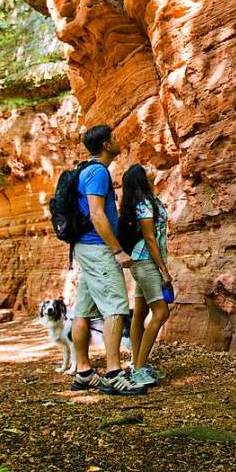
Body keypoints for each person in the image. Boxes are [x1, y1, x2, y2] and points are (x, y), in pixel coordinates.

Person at [70, 125, 146, 396]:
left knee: (83, 311)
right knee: (116, 307)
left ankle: (84, 372)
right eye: (113, 138)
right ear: (105, 145)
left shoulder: (86, 170)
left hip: (86, 248)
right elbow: (97, 215)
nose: (118, 141)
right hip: (98, 249)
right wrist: (116, 250)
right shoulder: (98, 173)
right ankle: (114, 374)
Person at [120, 164, 172, 388]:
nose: (151, 168)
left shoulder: (149, 199)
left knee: (140, 312)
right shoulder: (143, 204)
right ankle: (139, 370)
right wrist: (163, 269)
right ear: (141, 179)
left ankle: (136, 363)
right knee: (161, 313)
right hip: (146, 263)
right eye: (146, 170)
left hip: (143, 262)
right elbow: (150, 238)